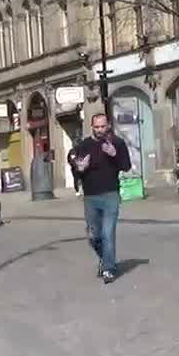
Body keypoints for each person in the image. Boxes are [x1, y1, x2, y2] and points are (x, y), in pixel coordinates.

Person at [71, 113, 131, 284]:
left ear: (108, 125)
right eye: (96, 127)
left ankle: (108, 269)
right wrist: (80, 168)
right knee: (93, 235)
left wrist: (114, 155)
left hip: (111, 193)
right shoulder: (84, 145)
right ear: (92, 127)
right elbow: (76, 169)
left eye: (102, 126)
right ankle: (106, 258)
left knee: (107, 233)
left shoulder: (117, 143)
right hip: (90, 196)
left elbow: (126, 166)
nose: (99, 130)